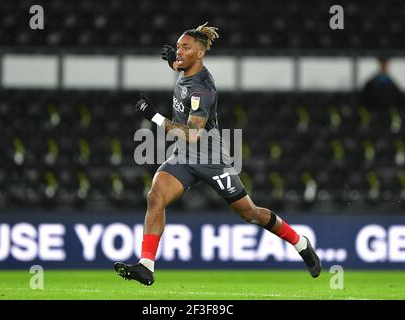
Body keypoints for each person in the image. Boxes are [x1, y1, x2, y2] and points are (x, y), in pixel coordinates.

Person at [115, 22, 321, 286]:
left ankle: (299, 242)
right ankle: (146, 265)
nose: (179, 51)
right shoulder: (186, 68)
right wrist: (173, 61)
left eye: (185, 48)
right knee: (155, 196)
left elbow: (191, 134)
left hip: (211, 159)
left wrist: (153, 117)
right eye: (177, 46)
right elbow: (182, 71)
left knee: (249, 213)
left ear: (199, 54)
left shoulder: (204, 88)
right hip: (183, 157)